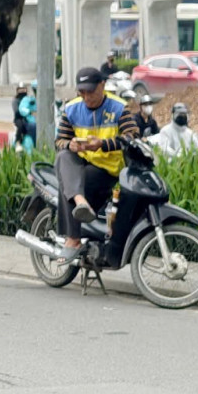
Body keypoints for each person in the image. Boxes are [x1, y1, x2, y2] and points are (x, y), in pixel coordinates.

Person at [54, 67, 144, 263]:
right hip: (79, 164)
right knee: (63, 157)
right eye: (82, 92)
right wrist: (70, 144)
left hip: (106, 170)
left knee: (70, 181)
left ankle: (75, 232)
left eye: (91, 91)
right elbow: (59, 141)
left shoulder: (119, 108)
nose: (87, 97)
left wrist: (102, 144)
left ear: (102, 86)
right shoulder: (71, 108)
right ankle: (78, 214)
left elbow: (132, 136)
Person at [12, 82, 37, 152]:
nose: (22, 91)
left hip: (29, 119)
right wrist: (29, 112)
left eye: (23, 89)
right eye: (20, 89)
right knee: (21, 125)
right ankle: (18, 142)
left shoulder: (31, 99)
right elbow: (18, 110)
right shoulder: (17, 100)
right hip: (20, 118)